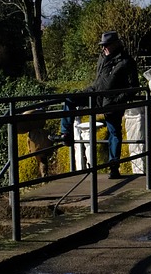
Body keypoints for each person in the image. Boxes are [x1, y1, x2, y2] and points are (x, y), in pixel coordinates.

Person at [57, 31, 140, 178]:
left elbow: (133, 87)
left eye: (106, 45)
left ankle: (113, 166)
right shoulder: (103, 57)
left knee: (114, 131)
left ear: (115, 44)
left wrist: (117, 100)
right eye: (103, 46)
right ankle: (66, 134)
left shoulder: (126, 62)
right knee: (70, 99)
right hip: (95, 94)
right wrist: (87, 91)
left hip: (112, 101)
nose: (104, 48)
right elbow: (99, 80)